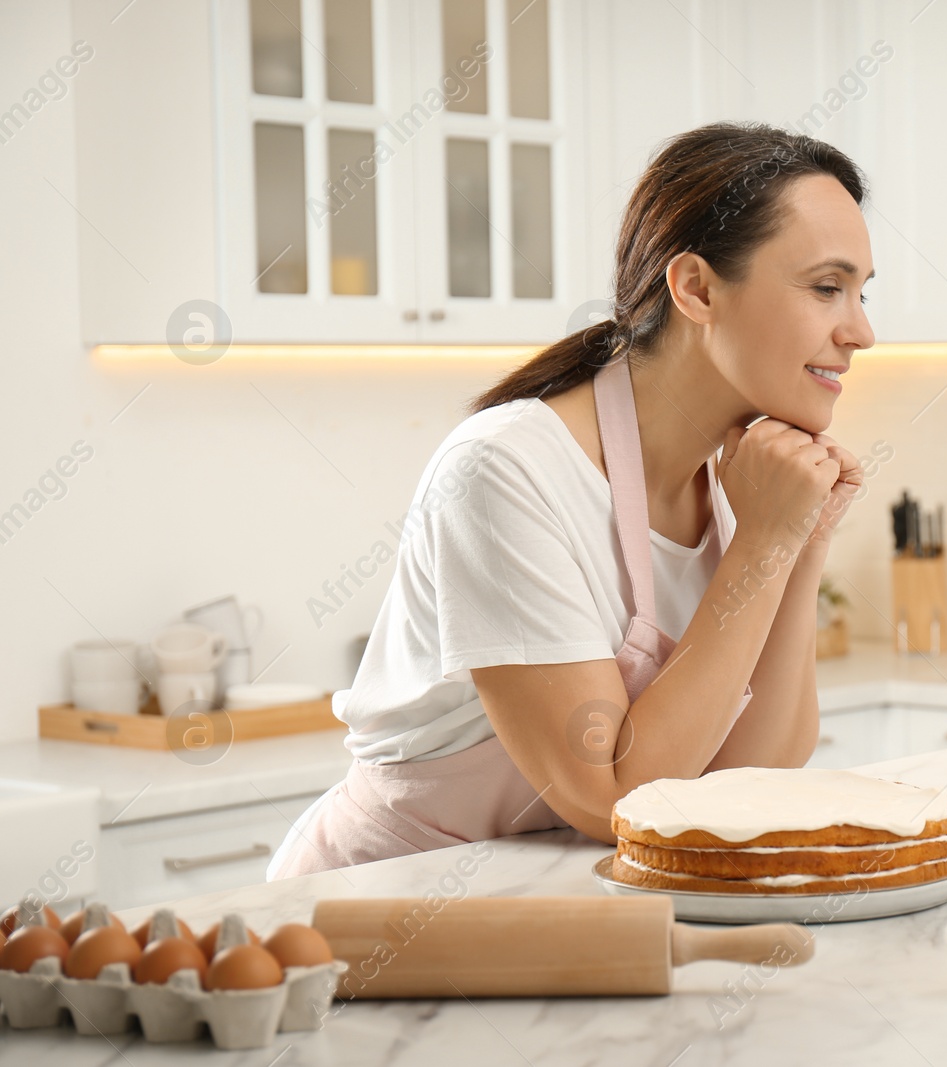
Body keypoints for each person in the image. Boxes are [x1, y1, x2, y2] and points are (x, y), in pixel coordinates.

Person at [268, 122, 875, 877]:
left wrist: (798, 536)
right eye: (827, 287)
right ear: (696, 288)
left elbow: (757, 778)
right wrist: (764, 544)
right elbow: (613, 800)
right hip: (376, 920)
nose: (862, 331)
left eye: (860, 293)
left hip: (548, 914)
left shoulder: (735, 486)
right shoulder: (505, 469)